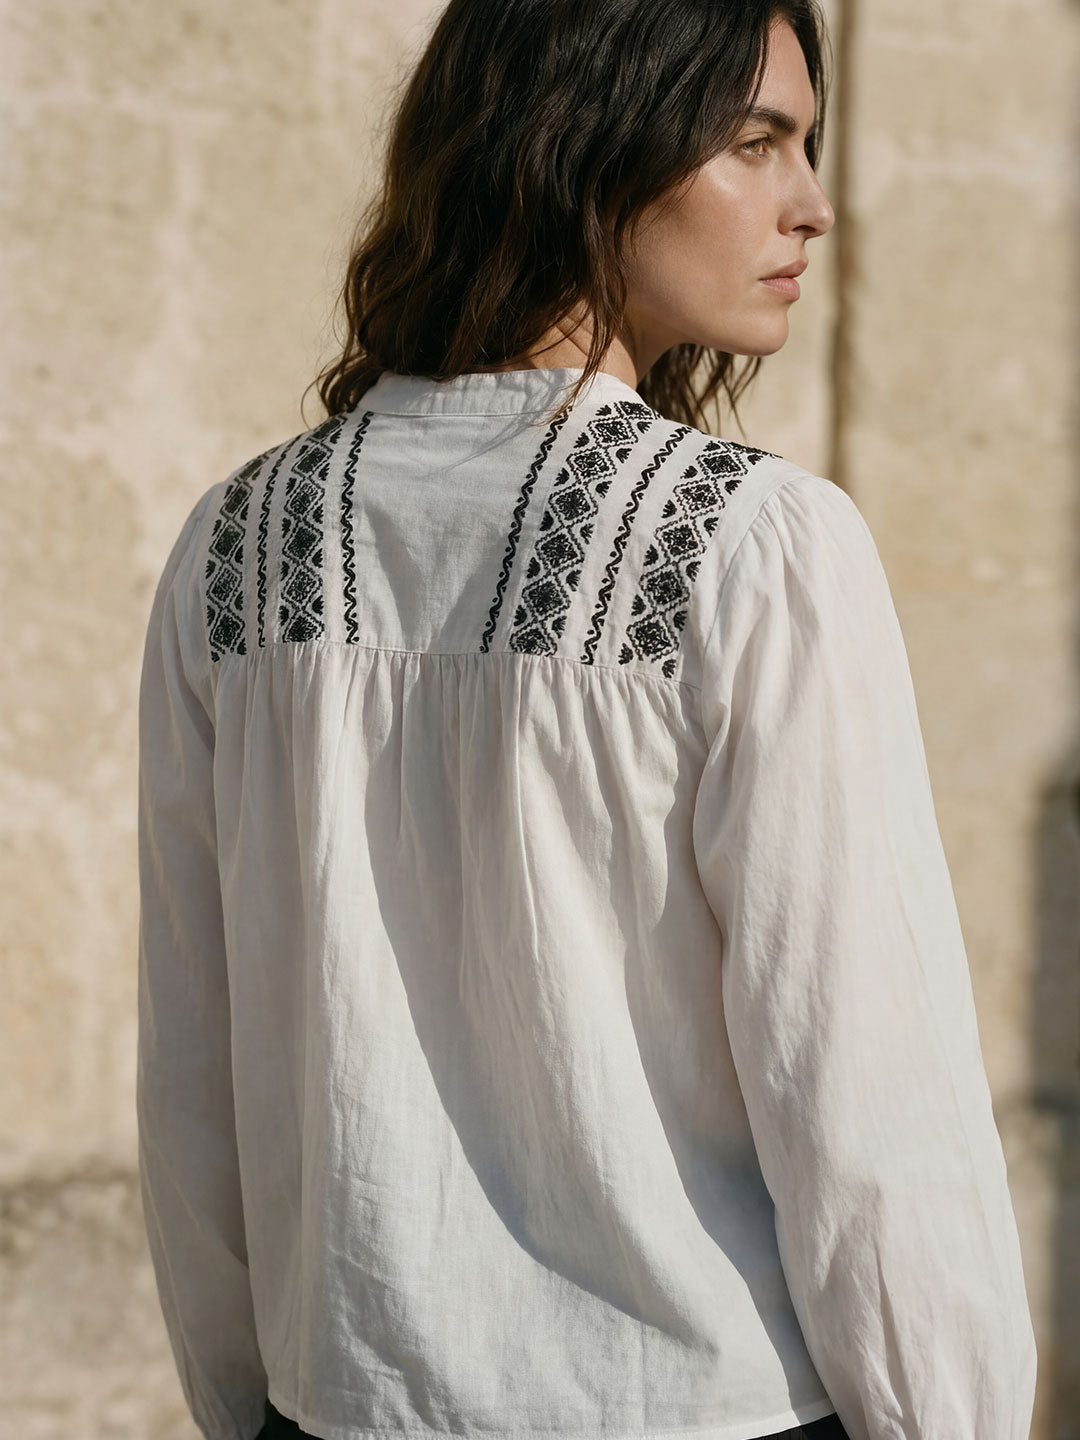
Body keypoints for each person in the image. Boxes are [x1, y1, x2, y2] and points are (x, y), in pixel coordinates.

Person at [135, 1, 1038, 1438]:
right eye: (757, 143)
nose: (813, 205)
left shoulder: (233, 548)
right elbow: (870, 1105)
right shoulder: (758, 546)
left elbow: (194, 1079)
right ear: (586, 143)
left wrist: (247, 1407)